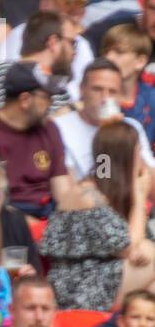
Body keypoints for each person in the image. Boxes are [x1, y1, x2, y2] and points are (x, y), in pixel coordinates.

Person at [42, 123, 155, 310]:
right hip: (76, 288)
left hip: (103, 275)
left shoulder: (107, 191)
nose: (142, 159)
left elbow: (129, 245)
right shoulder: (87, 195)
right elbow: (126, 245)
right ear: (126, 157)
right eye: (138, 151)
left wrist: (137, 248)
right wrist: (139, 198)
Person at [0, 63, 73, 215]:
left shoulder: (49, 129)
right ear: (25, 100)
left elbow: (63, 193)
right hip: (5, 217)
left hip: (49, 214)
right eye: (47, 97)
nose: (52, 103)